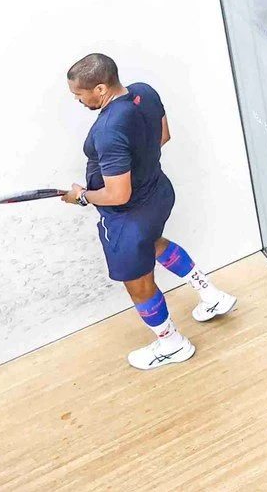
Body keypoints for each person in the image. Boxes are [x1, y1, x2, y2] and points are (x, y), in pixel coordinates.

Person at [62, 55, 237, 370]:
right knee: (154, 242)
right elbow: (163, 136)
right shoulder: (145, 91)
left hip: (129, 217)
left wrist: (82, 197)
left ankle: (172, 344)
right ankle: (211, 295)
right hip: (158, 195)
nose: (78, 99)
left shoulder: (108, 129)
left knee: (138, 283)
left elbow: (118, 194)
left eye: (79, 94)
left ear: (100, 89)